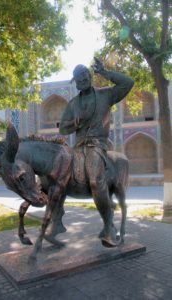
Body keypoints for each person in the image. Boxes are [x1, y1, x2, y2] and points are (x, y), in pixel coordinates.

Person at [59, 57, 134, 245]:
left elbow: (128, 83)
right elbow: (62, 129)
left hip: (96, 145)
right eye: (78, 77)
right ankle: (55, 223)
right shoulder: (73, 104)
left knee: (95, 179)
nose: (82, 79)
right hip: (78, 148)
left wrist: (105, 72)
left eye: (84, 75)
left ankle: (109, 226)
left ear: (90, 76)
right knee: (54, 176)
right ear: (75, 82)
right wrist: (72, 123)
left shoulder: (105, 95)